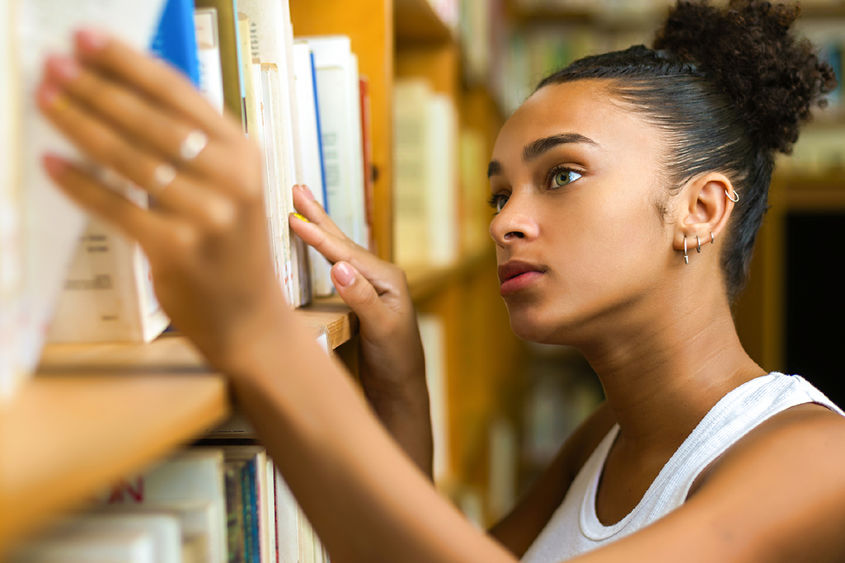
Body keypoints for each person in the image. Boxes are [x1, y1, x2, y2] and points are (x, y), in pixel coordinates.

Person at [35, 0, 845, 560]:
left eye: (560, 176)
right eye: (499, 192)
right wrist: (400, 380)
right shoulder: (602, 439)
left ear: (700, 208)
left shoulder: (817, 462)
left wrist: (258, 333)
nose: (504, 223)